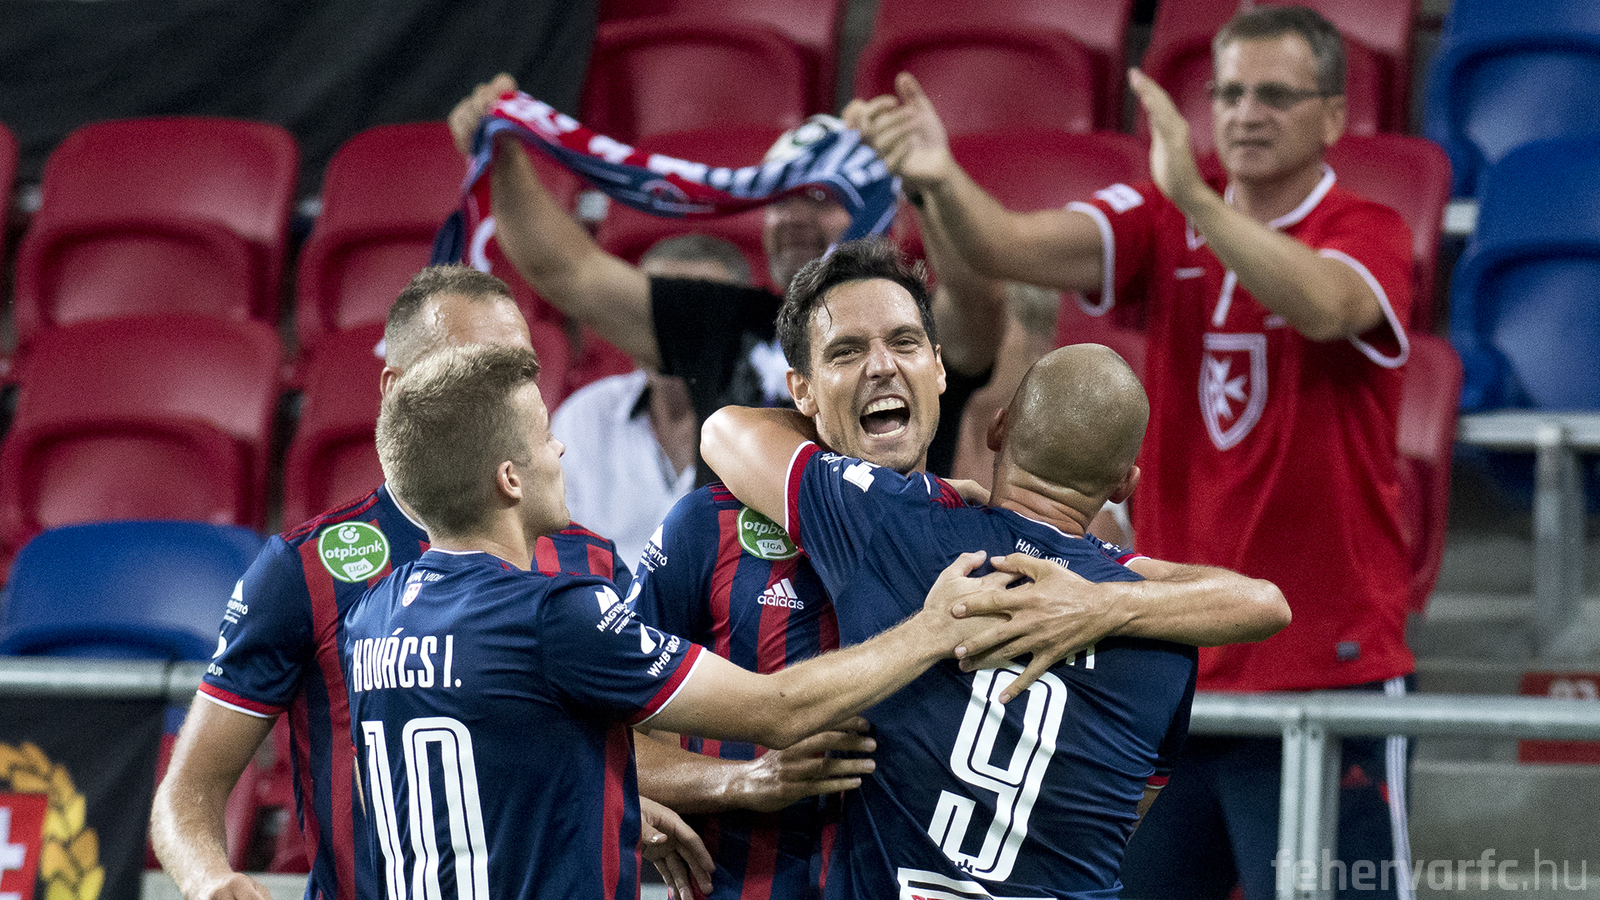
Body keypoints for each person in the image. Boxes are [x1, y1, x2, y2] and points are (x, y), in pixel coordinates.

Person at [848, 6, 1416, 898]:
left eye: (1275, 95)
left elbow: (1326, 307)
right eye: (1229, 93)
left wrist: (1199, 201)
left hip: (1325, 667)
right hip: (1168, 662)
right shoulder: (1163, 215)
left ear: (1336, 116)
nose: (1246, 113)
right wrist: (938, 177)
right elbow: (1008, 246)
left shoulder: (1367, 225)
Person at [632, 238, 1288, 900]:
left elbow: (1249, 601)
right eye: (847, 352)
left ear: (941, 370)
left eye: (905, 343)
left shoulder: (986, 553)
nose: (881, 366)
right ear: (800, 388)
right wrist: (730, 782)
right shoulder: (708, 528)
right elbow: (592, 732)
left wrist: (1102, 604)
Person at [346, 341, 1011, 900]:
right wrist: (931, 629)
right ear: (510, 480)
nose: (561, 451)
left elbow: (452, 770)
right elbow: (777, 709)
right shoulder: (552, 616)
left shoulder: (370, 619)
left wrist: (619, 809)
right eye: (545, 438)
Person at [149, 265, 633, 900]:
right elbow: (189, 789)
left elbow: (645, 746)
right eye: (472, 367)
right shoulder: (304, 570)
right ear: (396, 389)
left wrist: (668, 793)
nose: (501, 390)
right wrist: (209, 879)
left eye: (519, 371)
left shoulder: (591, 562)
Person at [447, 74, 1007, 482]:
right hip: (730, 597)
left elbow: (976, 298)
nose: (794, 219)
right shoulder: (726, 320)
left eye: (821, 198)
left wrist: (928, 184)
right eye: (780, 198)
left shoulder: (910, 337)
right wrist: (504, 149)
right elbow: (568, 272)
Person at [551, 233, 751, 571]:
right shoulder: (585, 416)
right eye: (653, 308)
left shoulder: (775, 425)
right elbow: (553, 559)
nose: (668, 329)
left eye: (695, 312)